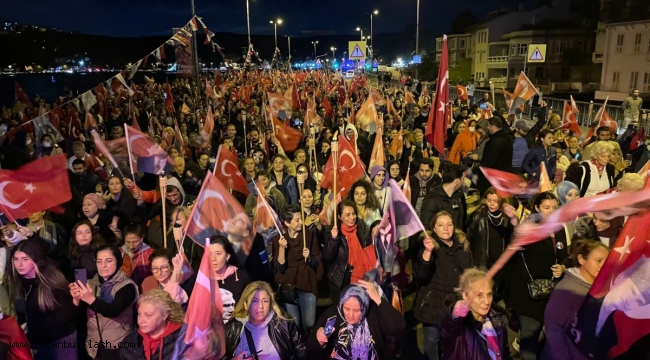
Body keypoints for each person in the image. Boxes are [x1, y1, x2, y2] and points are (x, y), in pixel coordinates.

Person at [506, 192, 570, 360]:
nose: (551, 211)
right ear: (536, 208)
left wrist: (563, 267)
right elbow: (513, 252)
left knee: (547, 336)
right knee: (530, 336)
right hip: (530, 294)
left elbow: (565, 255)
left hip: (552, 293)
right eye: (546, 208)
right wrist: (513, 222)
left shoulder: (559, 229)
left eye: (555, 208)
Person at [414, 212, 474, 360]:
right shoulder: (429, 246)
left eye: (449, 224)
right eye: (440, 225)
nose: (446, 229)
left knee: (453, 340)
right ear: (434, 228)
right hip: (434, 303)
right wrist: (427, 252)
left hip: (456, 303)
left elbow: (471, 269)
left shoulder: (463, 245)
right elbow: (420, 275)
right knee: (431, 339)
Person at [7, 240, 77, 360]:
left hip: (61, 340)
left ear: (36, 259)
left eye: (25, 259)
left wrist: (32, 327)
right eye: (15, 259)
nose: (19, 264)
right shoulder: (17, 283)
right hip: (38, 341)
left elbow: (66, 315)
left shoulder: (52, 282)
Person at [540, 240, 609, 360]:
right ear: (582, 259)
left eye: (606, 261)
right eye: (598, 261)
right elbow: (553, 328)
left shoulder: (603, 287)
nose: (604, 265)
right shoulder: (566, 290)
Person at [70, 244, 139, 359]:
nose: (103, 266)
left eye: (109, 261)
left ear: (118, 262)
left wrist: (90, 299)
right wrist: (76, 301)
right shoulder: (91, 283)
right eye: (99, 261)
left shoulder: (127, 286)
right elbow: (80, 316)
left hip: (118, 344)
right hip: (93, 344)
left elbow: (113, 310)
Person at [307, 281, 406, 360]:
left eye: (357, 310)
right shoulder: (332, 315)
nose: (351, 315)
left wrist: (378, 298)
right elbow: (311, 351)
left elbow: (397, 326)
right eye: (346, 309)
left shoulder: (373, 313)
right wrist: (319, 342)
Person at [439, 268, 511, 360]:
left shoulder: (498, 321)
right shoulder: (461, 328)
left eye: (489, 294)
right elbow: (447, 331)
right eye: (479, 295)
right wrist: (455, 317)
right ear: (465, 296)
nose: (486, 301)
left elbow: (505, 354)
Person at [273, 204, 323, 334]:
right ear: (287, 223)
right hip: (289, 288)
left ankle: (309, 338)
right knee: (294, 323)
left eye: (301, 219)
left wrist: (310, 258)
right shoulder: (278, 240)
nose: (301, 222)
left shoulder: (309, 236)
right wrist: (282, 249)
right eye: (297, 220)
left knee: (309, 322)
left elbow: (318, 261)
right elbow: (281, 268)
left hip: (307, 283)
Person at [224, 281, 306, 360]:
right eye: (254, 301)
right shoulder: (233, 328)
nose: (260, 306)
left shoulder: (283, 323)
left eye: (265, 301)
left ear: (270, 304)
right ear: (245, 305)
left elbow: (301, 351)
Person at [323, 200, 376, 302]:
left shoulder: (363, 229)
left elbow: (369, 251)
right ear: (339, 217)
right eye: (347, 215)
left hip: (359, 275)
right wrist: (333, 239)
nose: (352, 217)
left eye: (353, 213)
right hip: (340, 278)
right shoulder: (333, 231)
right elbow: (327, 256)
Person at [467, 187, 513, 290]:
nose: (491, 204)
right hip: (483, 264)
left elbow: (513, 238)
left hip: (501, 265)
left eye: (495, 201)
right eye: (489, 200)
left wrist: (514, 219)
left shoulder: (506, 218)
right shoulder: (477, 216)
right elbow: (468, 240)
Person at [120, 290, 185, 360]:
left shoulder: (182, 341)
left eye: (148, 315)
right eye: (139, 314)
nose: (141, 320)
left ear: (164, 315)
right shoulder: (131, 340)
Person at [208, 235, 251, 324]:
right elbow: (179, 299)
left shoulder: (241, 276)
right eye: (209, 254)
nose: (213, 259)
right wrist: (177, 272)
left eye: (218, 253)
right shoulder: (201, 278)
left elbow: (253, 302)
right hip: (210, 333)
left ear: (227, 256)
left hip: (236, 332)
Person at [420, 162, 467, 231]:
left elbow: (462, 222)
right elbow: (426, 228)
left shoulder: (459, 196)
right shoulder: (432, 199)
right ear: (457, 181)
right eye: (463, 179)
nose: (464, 181)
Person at [477, 117, 514, 195]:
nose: (487, 128)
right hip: (503, 177)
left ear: (493, 127)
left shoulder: (495, 142)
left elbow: (488, 161)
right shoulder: (506, 139)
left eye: (488, 126)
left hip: (492, 179)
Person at [120, 223, 154, 287]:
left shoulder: (150, 253)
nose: (131, 246)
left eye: (135, 242)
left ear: (141, 239)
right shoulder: (119, 253)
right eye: (128, 242)